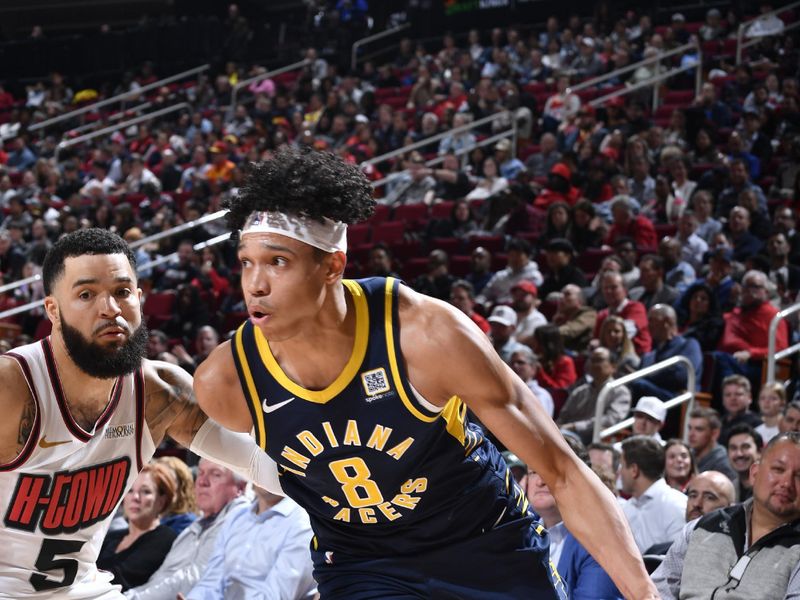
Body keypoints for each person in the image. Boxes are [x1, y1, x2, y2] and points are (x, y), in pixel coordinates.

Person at [193, 148, 658, 599]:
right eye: (246, 263)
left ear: (332, 265)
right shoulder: (226, 381)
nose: (255, 284)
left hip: (481, 540)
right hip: (364, 562)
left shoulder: (426, 336)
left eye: (278, 262)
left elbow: (562, 470)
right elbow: (265, 463)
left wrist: (645, 595)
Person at [0, 229, 279, 599]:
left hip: (86, 590)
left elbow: (267, 468)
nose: (110, 309)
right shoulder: (12, 388)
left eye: (122, 292)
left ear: (140, 298)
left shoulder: (160, 392)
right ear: (53, 309)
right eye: (86, 295)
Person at [652, 433, 800, 599]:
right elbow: (658, 591)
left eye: (799, 476)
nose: (786, 483)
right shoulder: (701, 527)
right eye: (778, 469)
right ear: (755, 474)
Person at [124, 459, 250, 600]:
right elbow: (160, 576)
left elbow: (192, 580)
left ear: (241, 488)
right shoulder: (194, 528)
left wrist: (129, 598)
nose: (202, 481)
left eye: (215, 474)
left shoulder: (240, 520)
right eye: (201, 473)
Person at [524, 437, 623, 600]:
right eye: (534, 471)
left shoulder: (602, 541)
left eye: (549, 471)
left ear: (580, 479)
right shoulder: (519, 532)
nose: (540, 481)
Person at [182, 486, 316, 600]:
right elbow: (211, 580)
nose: (265, 471)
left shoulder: (302, 523)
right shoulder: (237, 516)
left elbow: (277, 595)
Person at [97, 465, 177, 591]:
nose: (135, 497)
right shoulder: (112, 536)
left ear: (162, 501)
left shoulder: (166, 538)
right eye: (130, 490)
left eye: (145, 491)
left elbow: (122, 579)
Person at [619, 436, 688, 554]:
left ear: (634, 470)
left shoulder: (677, 504)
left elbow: (679, 559)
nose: (619, 472)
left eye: (622, 466)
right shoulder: (625, 508)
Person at [557, 347, 631, 445]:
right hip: (566, 434)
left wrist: (574, 426)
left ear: (613, 367)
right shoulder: (580, 391)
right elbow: (562, 418)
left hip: (595, 441)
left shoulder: (621, 392)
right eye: (592, 360)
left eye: (599, 360)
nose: (594, 364)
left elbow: (610, 420)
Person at [629, 304, 702, 402]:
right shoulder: (649, 356)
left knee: (639, 384)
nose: (648, 325)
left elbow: (680, 376)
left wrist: (648, 375)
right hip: (651, 399)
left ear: (667, 321)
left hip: (675, 400)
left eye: (652, 320)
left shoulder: (689, 345)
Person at [687, 407, 737, 481]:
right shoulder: (688, 456)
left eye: (699, 429)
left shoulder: (723, 464)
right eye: (690, 428)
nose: (691, 434)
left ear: (714, 434)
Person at [719, 375, 763, 446]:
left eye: (738, 394)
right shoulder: (719, 422)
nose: (733, 398)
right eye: (728, 395)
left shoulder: (757, 424)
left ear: (749, 397)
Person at [510, 347, 555, 418]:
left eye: (520, 362)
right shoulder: (507, 390)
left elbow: (539, 423)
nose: (515, 366)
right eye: (512, 363)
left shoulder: (540, 395)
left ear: (533, 368)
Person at [552, 284, 596, 354]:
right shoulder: (562, 317)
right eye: (561, 295)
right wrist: (554, 323)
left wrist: (547, 333)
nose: (561, 298)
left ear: (579, 300)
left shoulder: (589, 314)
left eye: (567, 294)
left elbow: (571, 330)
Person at [726, 424, 763, 502]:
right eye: (733, 448)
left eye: (745, 447)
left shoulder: (771, 486)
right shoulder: (729, 489)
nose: (739, 454)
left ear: (760, 452)